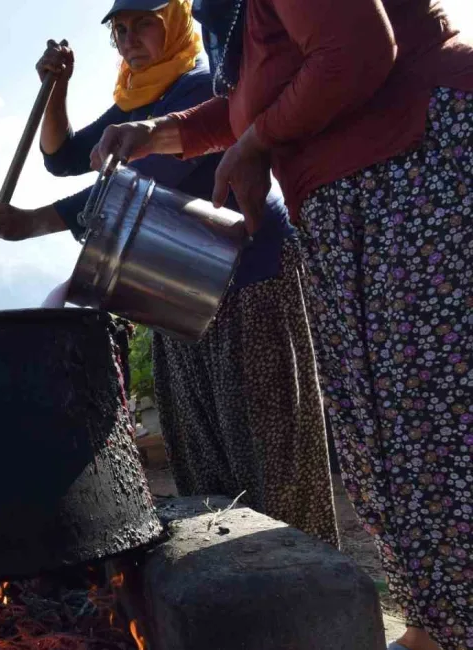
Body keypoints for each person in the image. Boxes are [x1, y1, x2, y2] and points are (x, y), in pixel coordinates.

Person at [92, 1, 473, 648]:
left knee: (433, 416)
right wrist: (157, 131)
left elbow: (354, 51)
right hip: (352, 201)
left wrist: (257, 143)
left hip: (414, 167)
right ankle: (439, 621)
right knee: (383, 431)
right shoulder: (234, 18)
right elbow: (251, 104)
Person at [0, 0, 340, 547]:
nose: (128, 38)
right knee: (201, 446)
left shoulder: (200, 87)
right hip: (174, 292)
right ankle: (230, 582)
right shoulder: (134, 101)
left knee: (267, 444)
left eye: (142, 23)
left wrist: (32, 223)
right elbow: (61, 157)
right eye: (119, 30)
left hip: (247, 274)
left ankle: (304, 582)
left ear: (172, 23)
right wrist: (57, 87)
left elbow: (142, 176)